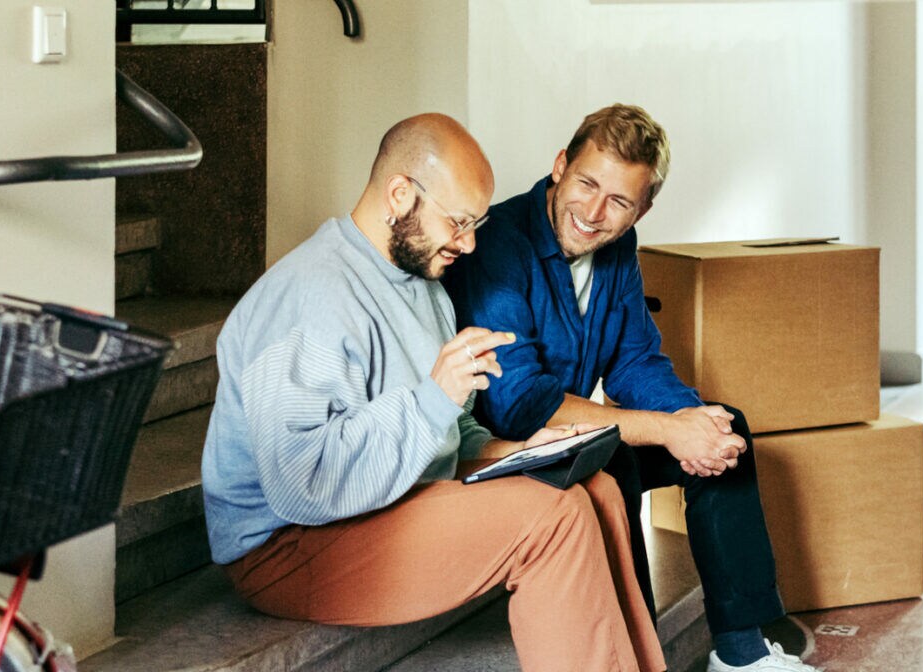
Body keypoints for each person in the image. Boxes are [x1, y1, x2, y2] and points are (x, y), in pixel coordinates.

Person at [201, 113, 666, 672]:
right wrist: (432, 399)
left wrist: (525, 452)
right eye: (459, 222)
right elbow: (299, 485)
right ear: (401, 195)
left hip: (380, 502)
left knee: (595, 489)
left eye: (477, 224)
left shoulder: (425, 289)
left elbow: (450, 432)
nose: (469, 245)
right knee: (552, 520)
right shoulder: (309, 295)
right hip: (286, 545)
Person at [443, 104, 817, 672]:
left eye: (619, 201)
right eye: (588, 184)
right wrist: (669, 430)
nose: (595, 214)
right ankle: (637, 655)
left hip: (571, 432)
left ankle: (740, 652)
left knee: (726, 425)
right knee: (610, 461)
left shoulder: (618, 249)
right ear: (560, 165)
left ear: (643, 206)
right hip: (506, 452)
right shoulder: (499, 244)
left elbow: (634, 362)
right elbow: (520, 404)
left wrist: (696, 423)